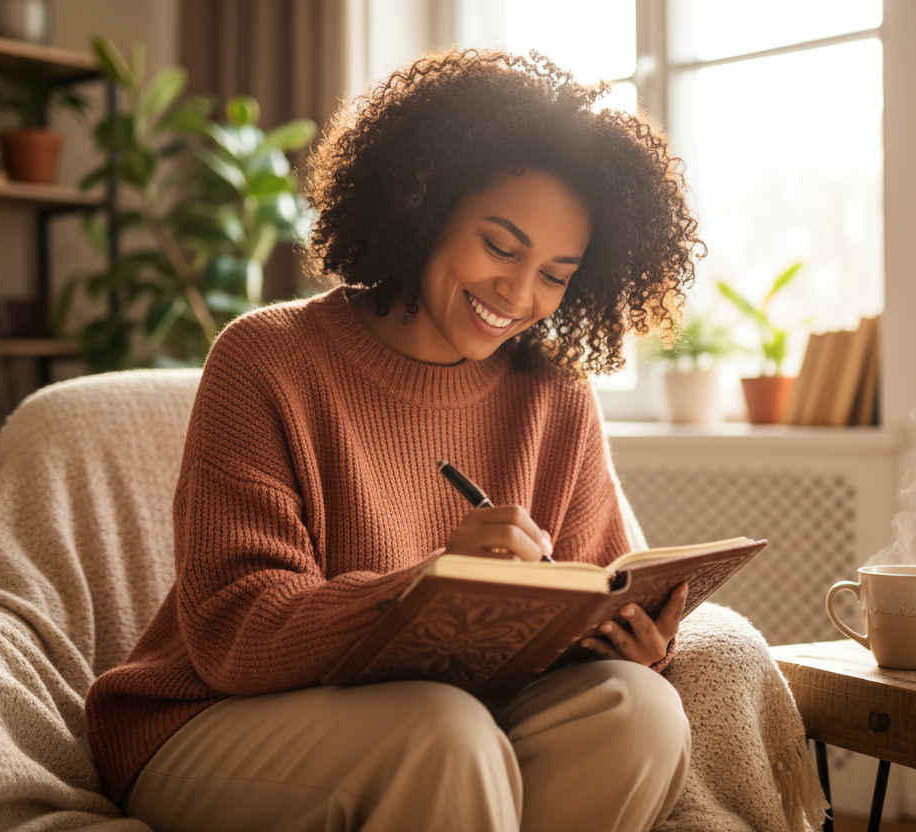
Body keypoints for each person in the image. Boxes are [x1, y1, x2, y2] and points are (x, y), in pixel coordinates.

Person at [85, 48, 705, 832]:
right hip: (209, 722)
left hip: (454, 718)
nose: (519, 294)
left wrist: (631, 641)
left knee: (639, 711)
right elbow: (237, 635)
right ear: (424, 200)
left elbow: (594, 582)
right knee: (441, 734)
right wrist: (431, 585)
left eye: (555, 273)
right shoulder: (265, 359)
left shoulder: (555, 393)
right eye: (502, 246)